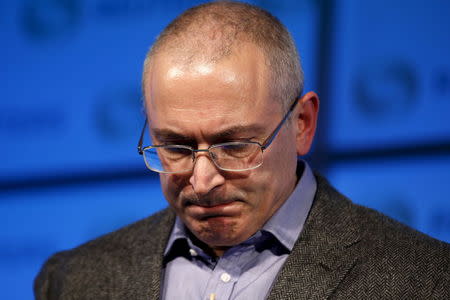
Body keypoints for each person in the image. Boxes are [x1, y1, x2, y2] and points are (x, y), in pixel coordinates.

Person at [34, 1, 449, 299]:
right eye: (175, 146)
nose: (202, 181)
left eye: (233, 145)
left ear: (302, 123)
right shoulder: (73, 281)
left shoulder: (427, 281)